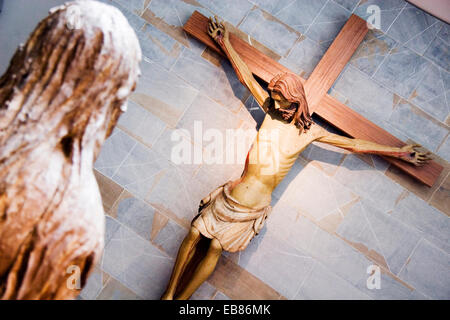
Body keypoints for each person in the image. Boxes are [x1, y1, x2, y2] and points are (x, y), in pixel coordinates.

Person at [161, 16, 431, 300]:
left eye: (281, 99)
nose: (275, 103)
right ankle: (168, 295)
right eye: (274, 97)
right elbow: (246, 77)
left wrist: (400, 153)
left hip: (253, 207)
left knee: (215, 247)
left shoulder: (309, 133)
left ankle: (182, 302)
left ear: (296, 99)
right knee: (194, 231)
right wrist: (224, 41)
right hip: (233, 193)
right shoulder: (270, 112)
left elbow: (354, 145)